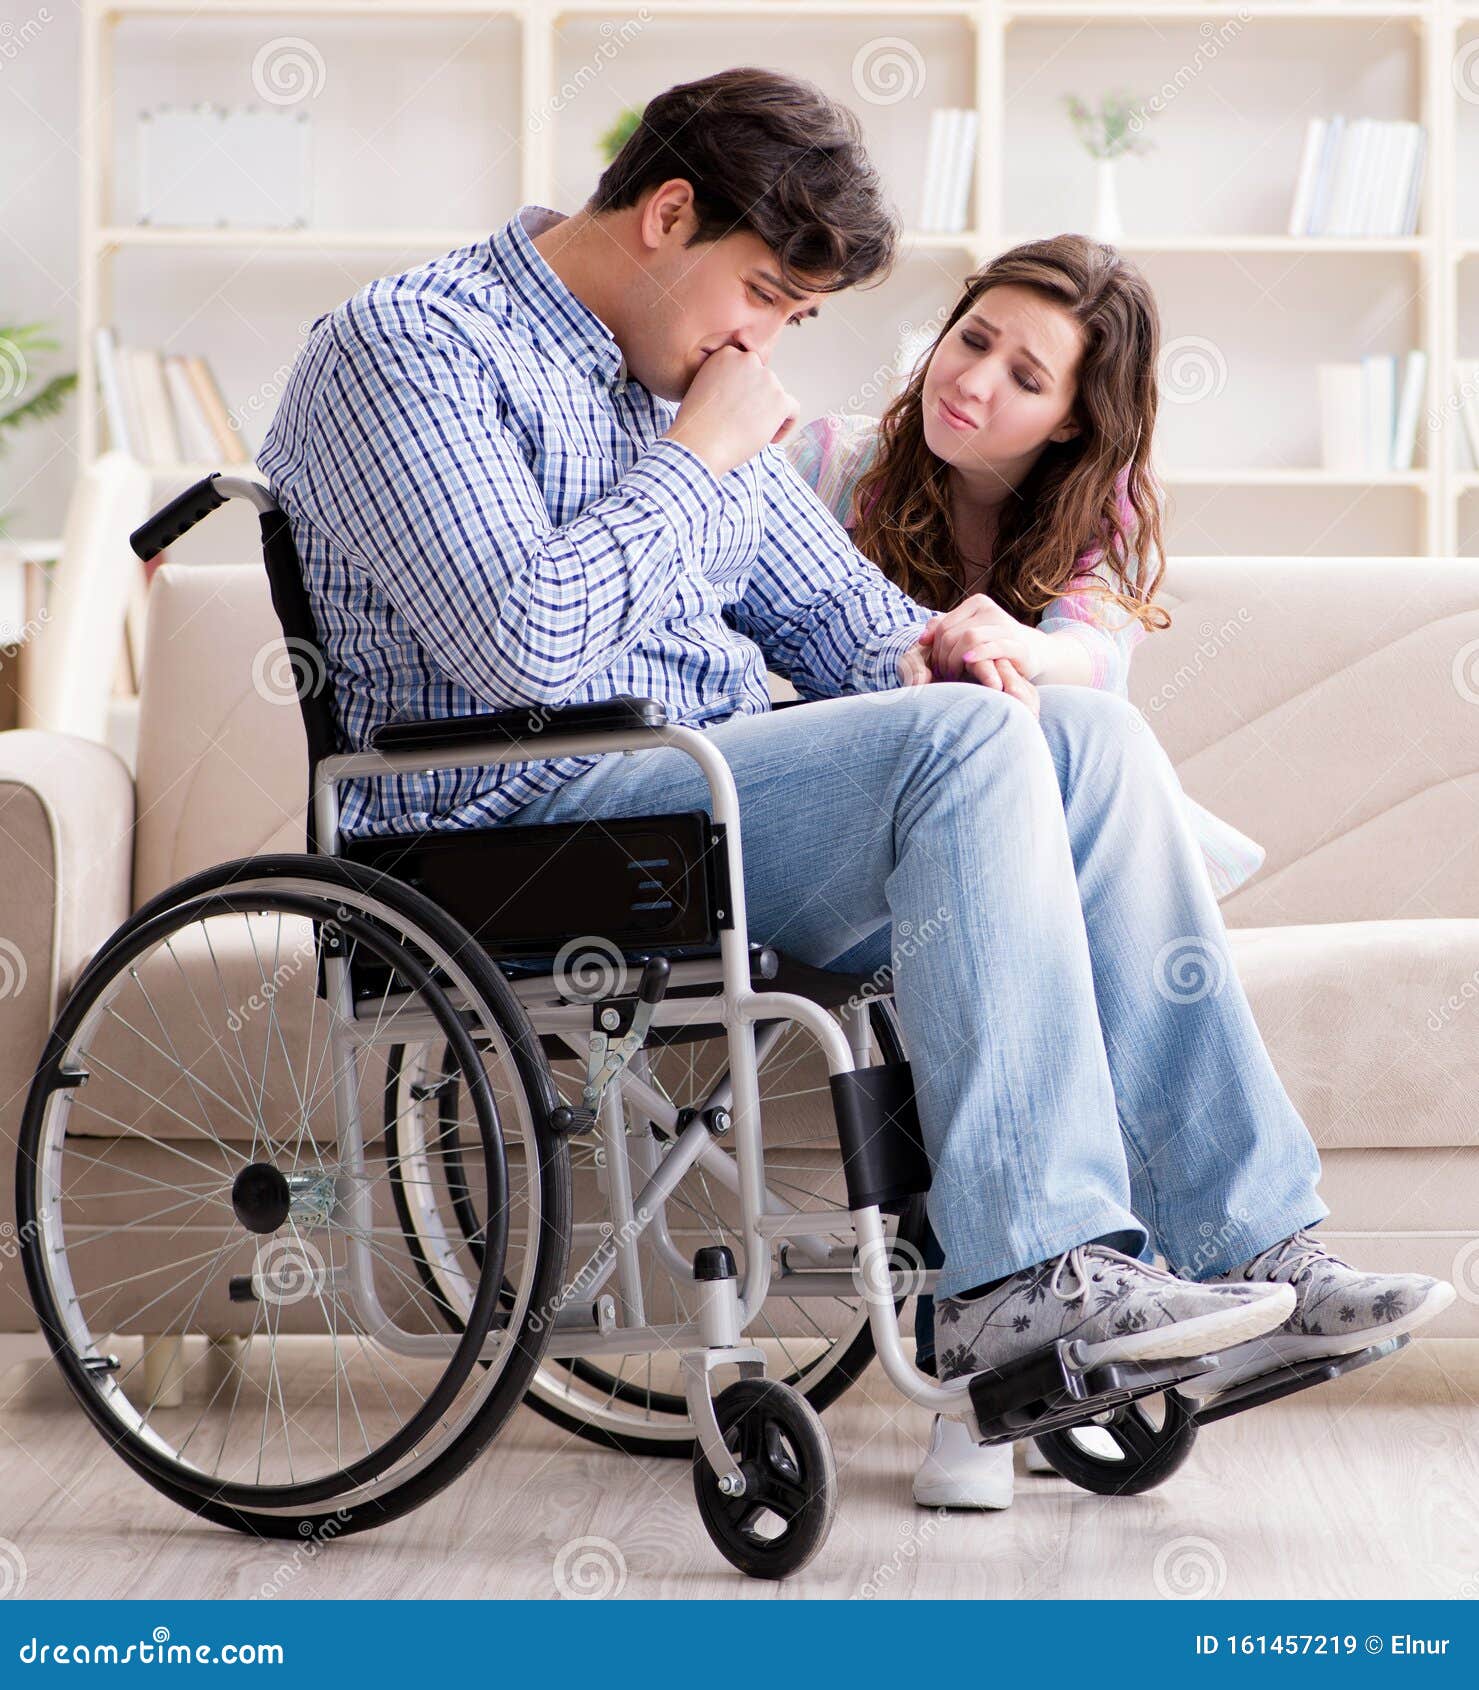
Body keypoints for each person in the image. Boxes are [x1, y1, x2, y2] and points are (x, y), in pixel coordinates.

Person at [256, 68, 1454, 1517]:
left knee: (1077, 740)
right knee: (962, 747)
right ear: (666, 215)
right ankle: (1022, 1282)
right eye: (759, 294)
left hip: (684, 809)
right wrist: (699, 457)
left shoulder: (679, 377)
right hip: (510, 832)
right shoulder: (413, 349)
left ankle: (1247, 1240)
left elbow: (831, 618)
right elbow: (520, 634)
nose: (762, 343)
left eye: (794, 320)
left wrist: (937, 646)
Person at [782, 236, 1267, 1507]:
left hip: (1028, 822)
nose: (976, 381)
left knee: (1070, 738)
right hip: (858, 832)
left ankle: (1241, 1259)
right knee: (1012, 813)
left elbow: (1094, 657)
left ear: (1072, 422)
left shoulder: (1095, 517)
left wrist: (1009, 646)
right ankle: (997, 1380)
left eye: (1025, 374)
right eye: (973, 337)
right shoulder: (826, 463)